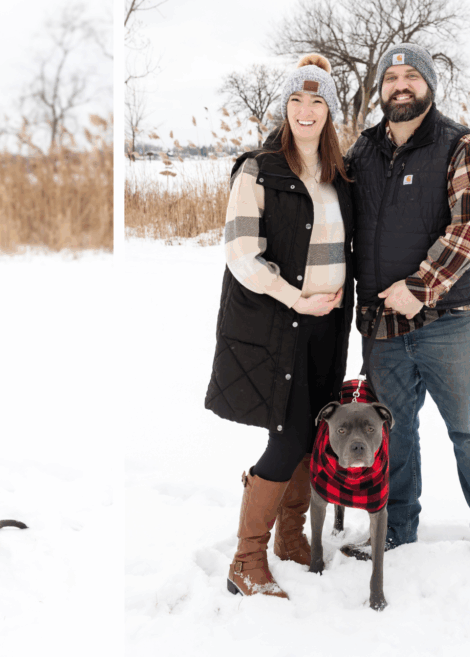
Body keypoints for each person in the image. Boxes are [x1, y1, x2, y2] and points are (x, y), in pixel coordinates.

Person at [344, 42, 470, 591]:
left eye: (410, 76)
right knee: (394, 432)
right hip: (384, 326)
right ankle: (396, 528)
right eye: (390, 76)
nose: (399, 84)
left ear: (429, 85)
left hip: (452, 321)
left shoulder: (459, 143)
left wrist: (423, 286)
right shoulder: (362, 152)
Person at [205, 54, 354, 598]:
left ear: (331, 111)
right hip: (281, 326)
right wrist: (297, 300)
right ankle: (246, 560)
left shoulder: (340, 174)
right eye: (296, 99)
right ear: (284, 107)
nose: (306, 110)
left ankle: (291, 540)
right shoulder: (259, 168)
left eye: (317, 100)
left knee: (310, 435)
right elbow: (242, 254)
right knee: (288, 436)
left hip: (326, 329)